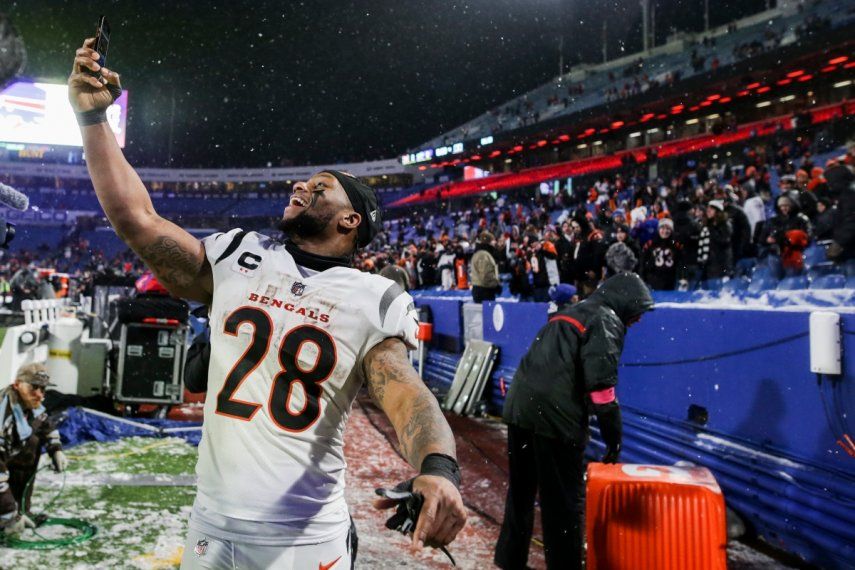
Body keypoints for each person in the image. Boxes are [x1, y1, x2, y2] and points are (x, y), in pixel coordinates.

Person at [69, 39, 465, 569]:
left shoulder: (374, 296)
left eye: (321, 187)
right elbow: (137, 220)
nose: (302, 185)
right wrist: (93, 119)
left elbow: (405, 393)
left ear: (351, 220)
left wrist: (438, 467)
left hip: (304, 537)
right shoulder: (240, 254)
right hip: (211, 522)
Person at [496, 273, 654, 569]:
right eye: (639, 310)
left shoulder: (570, 311)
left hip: (520, 409)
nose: (639, 318)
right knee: (563, 504)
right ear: (625, 301)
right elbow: (602, 389)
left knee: (521, 491)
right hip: (555, 418)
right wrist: (614, 439)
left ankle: (510, 560)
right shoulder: (605, 319)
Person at [1, 363, 68, 536]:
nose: (39, 394)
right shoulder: (3, 416)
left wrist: (56, 449)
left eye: (43, 389)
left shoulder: (29, 402)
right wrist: (9, 514)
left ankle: (21, 510)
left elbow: (45, 423)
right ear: (17, 384)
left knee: (32, 443)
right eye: (34, 387)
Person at [470, 231, 501, 303]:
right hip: (484, 290)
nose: (495, 242)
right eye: (493, 240)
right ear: (488, 242)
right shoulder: (483, 255)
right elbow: (485, 275)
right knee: (487, 310)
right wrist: (495, 285)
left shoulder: (482, 253)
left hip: (481, 289)